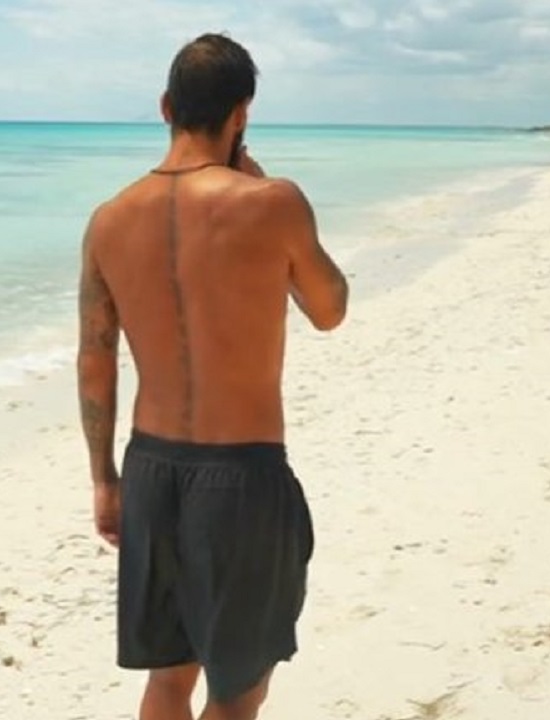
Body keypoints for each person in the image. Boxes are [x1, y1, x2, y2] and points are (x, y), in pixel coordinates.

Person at [75, 32, 349, 720]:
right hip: (241, 476)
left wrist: (105, 479)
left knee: (168, 679)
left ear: (166, 107)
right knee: (238, 690)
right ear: (241, 114)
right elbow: (329, 309)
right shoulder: (273, 202)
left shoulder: (108, 220)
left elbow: (95, 358)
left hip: (151, 469)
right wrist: (261, 190)